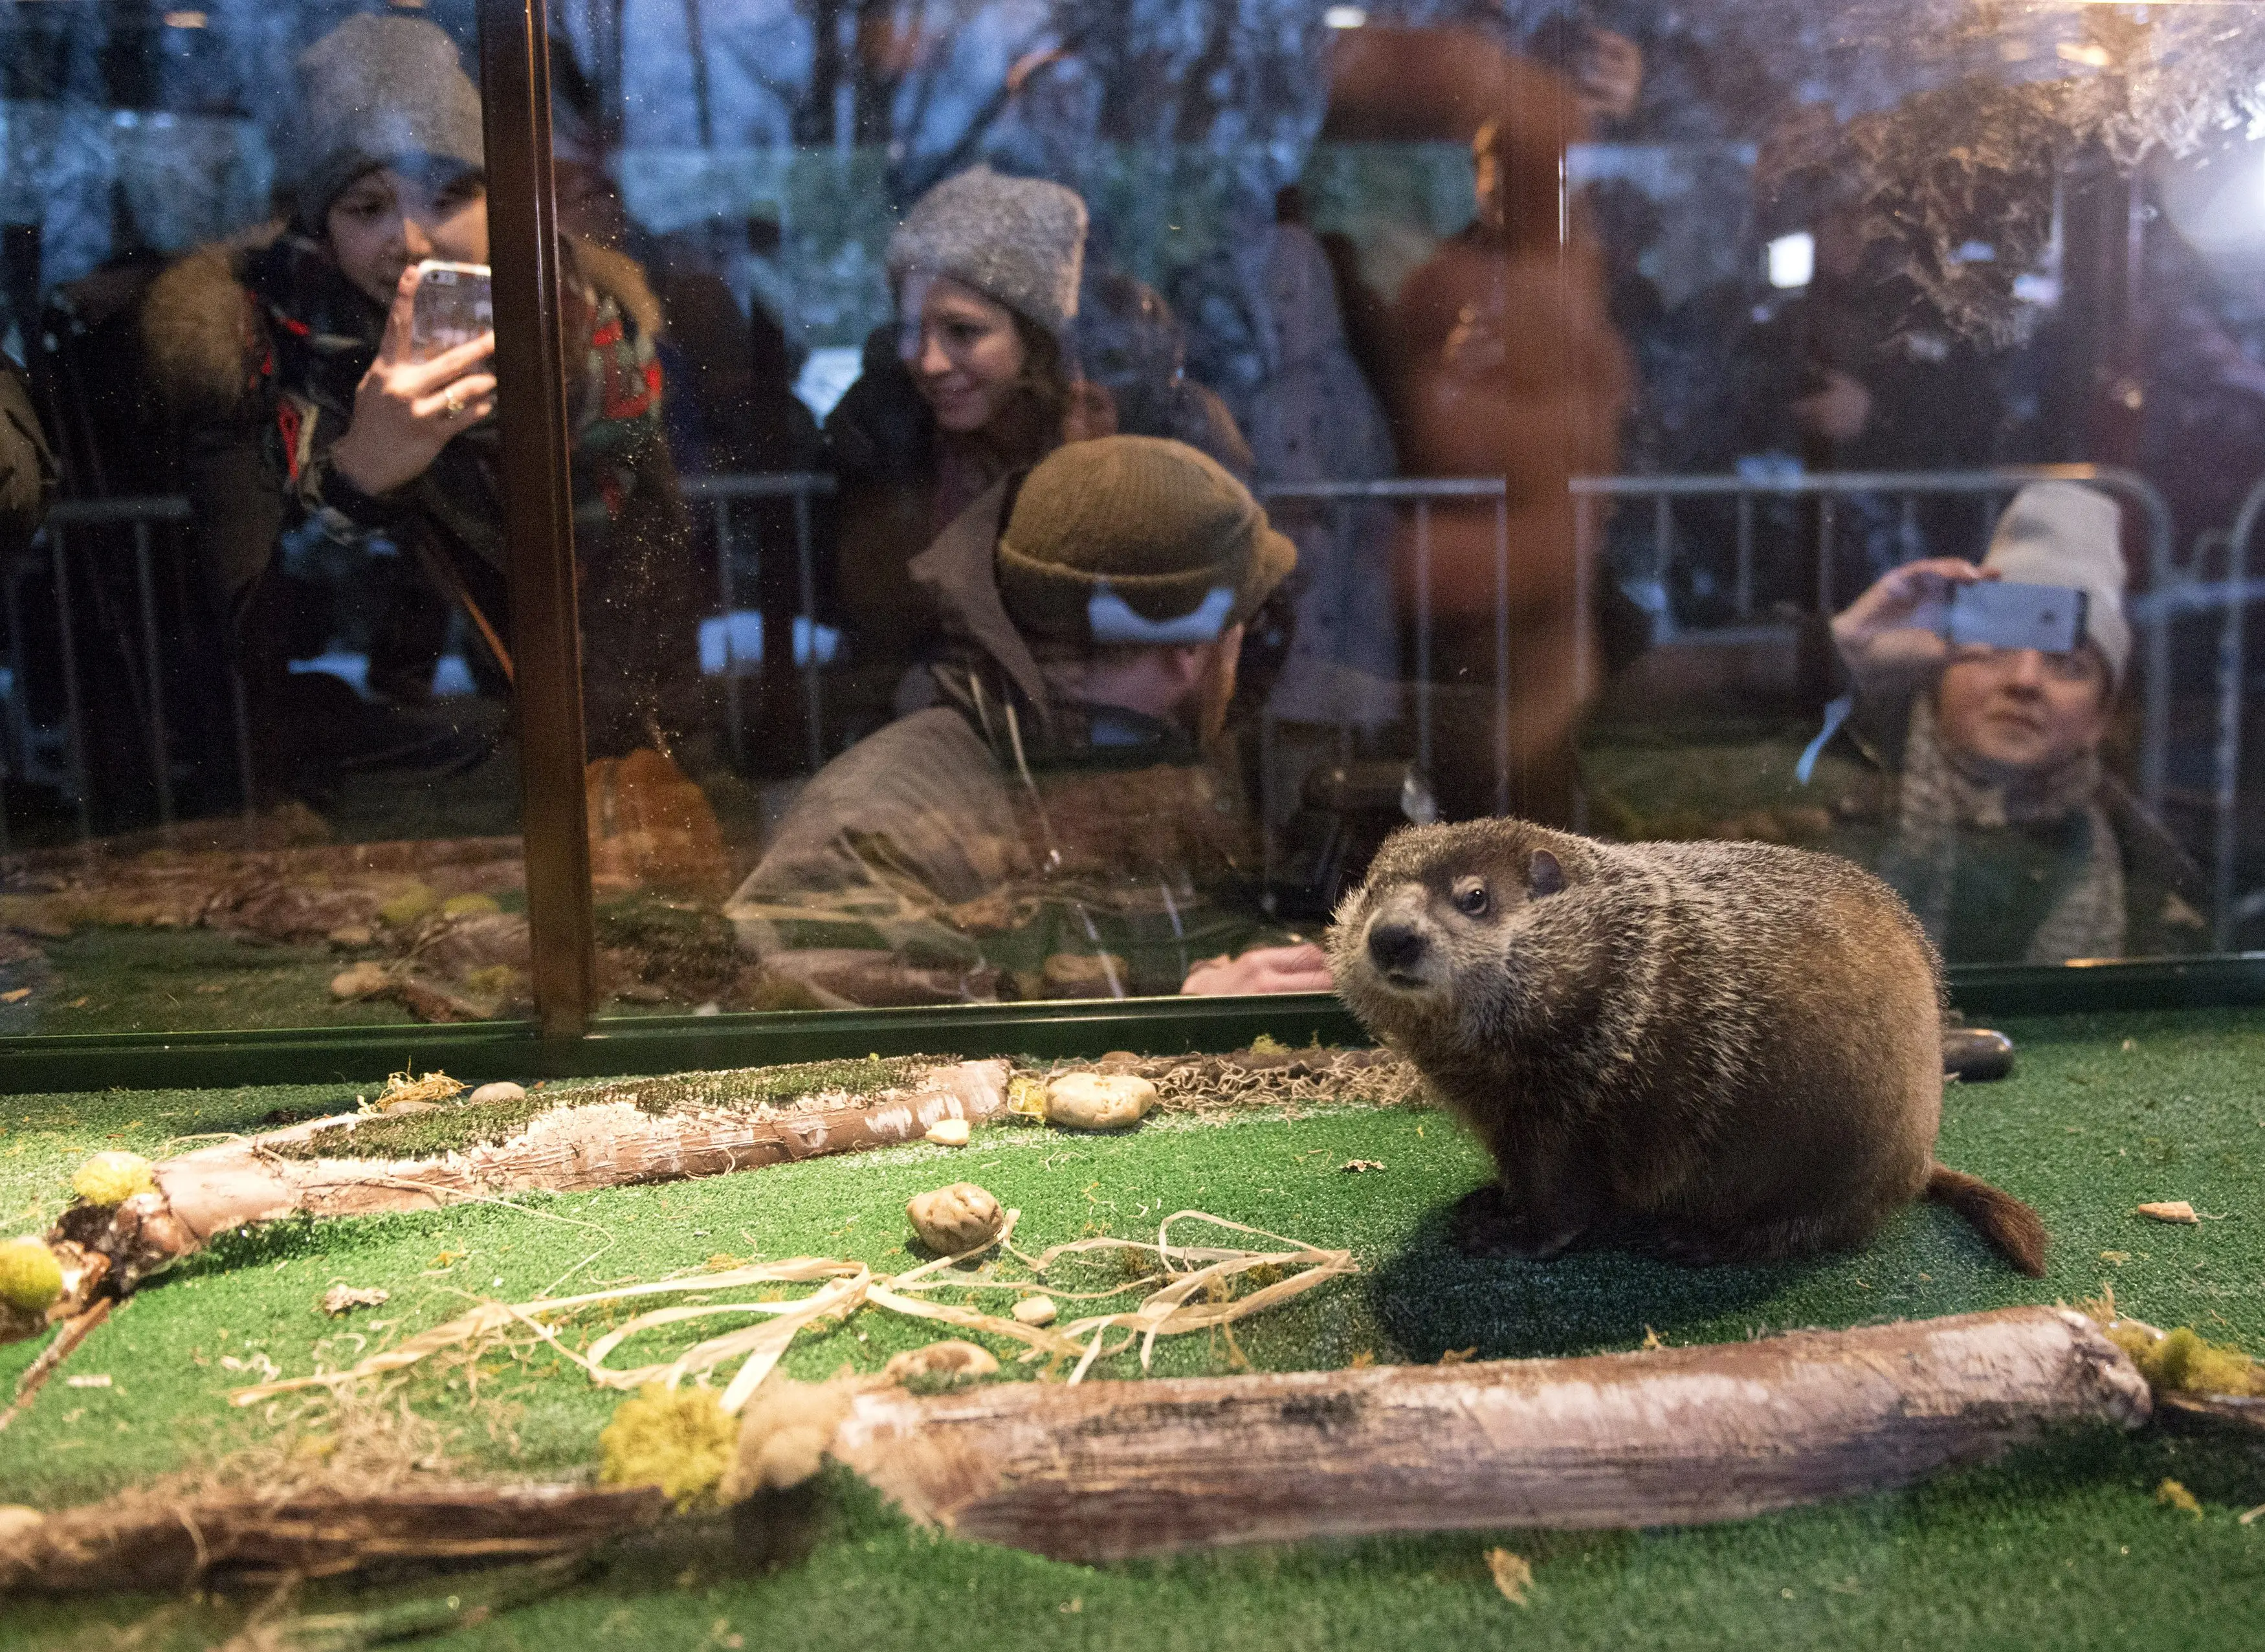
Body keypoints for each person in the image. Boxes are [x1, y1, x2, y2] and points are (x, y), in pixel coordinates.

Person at [139, 14, 702, 786]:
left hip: (577, 774)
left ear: (502, 203)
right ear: (321, 227)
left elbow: (656, 573)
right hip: (370, 786)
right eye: (367, 208)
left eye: (447, 196)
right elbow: (263, 643)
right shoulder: (253, 353)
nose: (413, 239)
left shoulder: (591, 336)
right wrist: (360, 478)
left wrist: (646, 759)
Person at [724, 435, 1334, 1007]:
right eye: (1239, 627)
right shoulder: (872, 824)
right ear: (1192, 649)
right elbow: (820, 1026)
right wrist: (1177, 1008)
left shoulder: (1130, 766)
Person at [1811, 481, 2204, 964]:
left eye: (2067, 664)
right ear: (1940, 671)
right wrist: (1836, 654)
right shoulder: (1833, 782)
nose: (2025, 680)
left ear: (2099, 717)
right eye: (1995, 647)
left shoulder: (2147, 877)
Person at [821, 165, 1109, 740]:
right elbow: (875, 647)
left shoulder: (1113, 438)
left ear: (1035, 339)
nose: (927, 362)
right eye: (912, 330)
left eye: (962, 331)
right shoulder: (887, 440)